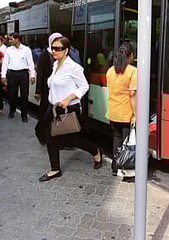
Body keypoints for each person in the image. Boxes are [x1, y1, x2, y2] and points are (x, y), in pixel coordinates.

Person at [38, 35, 102, 182]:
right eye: (52, 48)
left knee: (74, 141)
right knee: (50, 138)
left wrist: (69, 98)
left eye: (58, 48)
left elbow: (84, 86)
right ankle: (55, 169)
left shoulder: (73, 67)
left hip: (69, 109)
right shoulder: (55, 66)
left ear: (66, 50)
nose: (54, 51)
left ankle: (96, 152)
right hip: (53, 109)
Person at [106, 42, 137, 182]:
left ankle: (115, 167)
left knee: (116, 140)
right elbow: (132, 95)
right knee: (127, 144)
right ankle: (127, 172)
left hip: (113, 112)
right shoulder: (132, 71)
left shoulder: (110, 71)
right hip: (126, 114)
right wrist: (135, 115)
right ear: (130, 56)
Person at [1, 34, 36, 123]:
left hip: (23, 74)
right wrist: (3, 76)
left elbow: (30, 63)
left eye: (11, 39)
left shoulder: (26, 49)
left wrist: (32, 75)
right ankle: (12, 111)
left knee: (24, 95)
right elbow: (5, 63)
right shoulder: (9, 50)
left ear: (17, 39)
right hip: (12, 74)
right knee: (12, 95)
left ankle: (24, 115)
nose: (10, 41)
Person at [34, 33, 61, 144]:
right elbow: (40, 74)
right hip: (46, 88)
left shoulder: (62, 54)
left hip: (58, 88)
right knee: (45, 112)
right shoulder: (44, 55)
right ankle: (41, 132)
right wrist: (38, 92)